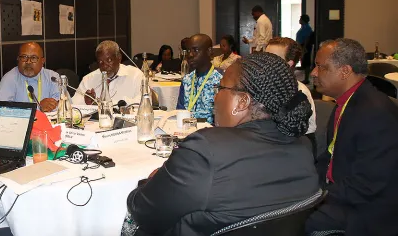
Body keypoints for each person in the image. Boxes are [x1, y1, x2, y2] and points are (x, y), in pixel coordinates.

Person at [127, 53, 318, 236]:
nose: (214, 98)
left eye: (220, 89)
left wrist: (152, 181)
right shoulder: (302, 145)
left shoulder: (205, 151)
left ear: (242, 102)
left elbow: (143, 212)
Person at [306, 39, 398, 236]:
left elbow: (367, 185)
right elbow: (329, 157)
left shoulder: (375, 114)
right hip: (342, 192)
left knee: (292, 222)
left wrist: (316, 196)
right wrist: (305, 182)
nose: (313, 73)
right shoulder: (347, 102)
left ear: (345, 71)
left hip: (366, 210)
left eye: (320, 67)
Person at [266, 37, 317, 156]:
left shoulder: (299, 93)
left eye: (272, 58)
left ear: (288, 65)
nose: (265, 62)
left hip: (295, 147)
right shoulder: (263, 86)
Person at [72, 40, 143, 106]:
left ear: (119, 58)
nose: (105, 66)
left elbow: (144, 101)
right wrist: (85, 101)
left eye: (109, 60)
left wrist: (113, 104)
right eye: (100, 62)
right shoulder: (89, 79)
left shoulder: (135, 75)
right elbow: (74, 104)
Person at [0, 42, 60, 112]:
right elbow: (1, 110)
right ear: (18, 59)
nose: (28, 62)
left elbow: (61, 105)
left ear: (42, 61)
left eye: (34, 58)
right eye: (24, 57)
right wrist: (38, 108)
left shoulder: (53, 77)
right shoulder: (9, 79)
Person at [176, 34, 223, 123]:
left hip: (211, 133)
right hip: (186, 130)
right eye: (188, 50)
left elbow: (223, 118)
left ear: (209, 51)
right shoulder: (186, 80)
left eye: (195, 50)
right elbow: (180, 112)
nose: (190, 55)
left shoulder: (220, 80)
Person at [296, 14, 314, 84]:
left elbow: (307, 38)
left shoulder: (307, 28)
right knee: (304, 61)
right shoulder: (303, 27)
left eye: (300, 19)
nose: (299, 20)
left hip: (305, 46)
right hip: (302, 45)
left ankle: (306, 79)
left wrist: (304, 48)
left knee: (306, 61)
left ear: (303, 20)